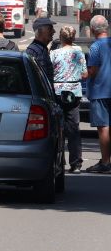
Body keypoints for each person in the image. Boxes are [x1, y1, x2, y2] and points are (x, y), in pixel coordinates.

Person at [51, 25, 88, 173]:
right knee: (73, 128)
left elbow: (48, 71)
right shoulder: (79, 53)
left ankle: (59, 162)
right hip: (74, 92)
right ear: (73, 38)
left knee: (57, 128)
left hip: (58, 91)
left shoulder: (54, 53)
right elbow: (85, 74)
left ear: (61, 37)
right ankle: (76, 163)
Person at [85, 15, 111, 173]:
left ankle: (105, 162)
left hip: (100, 91)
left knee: (103, 128)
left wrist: (84, 73)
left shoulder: (95, 47)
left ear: (93, 29)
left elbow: (92, 70)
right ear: (106, 27)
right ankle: (106, 159)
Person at [25, 16, 56, 85]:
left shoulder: (40, 49)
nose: (54, 31)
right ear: (40, 31)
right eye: (50, 29)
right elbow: (41, 78)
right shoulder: (37, 51)